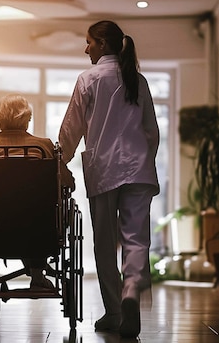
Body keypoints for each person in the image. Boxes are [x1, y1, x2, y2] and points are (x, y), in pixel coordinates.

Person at [59, 20, 159, 338]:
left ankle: (115, 311)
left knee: (105, 242)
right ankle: (131, 294)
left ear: (102, 44)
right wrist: (143, 161)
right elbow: (151, 131)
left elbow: (71, 128)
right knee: (136, 240)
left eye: (89, 42)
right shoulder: (137, 80)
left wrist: (59, 161)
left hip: (104, 171)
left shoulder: (89, 78)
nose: (86, 48)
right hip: (139, 170)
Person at [0, 93, 75, 291]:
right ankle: (37, 271)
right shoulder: (45, 147)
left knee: (15, 210)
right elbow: (68, 184)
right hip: (41, 229)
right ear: (27, 119)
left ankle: (34, 269)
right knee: (35, 210)